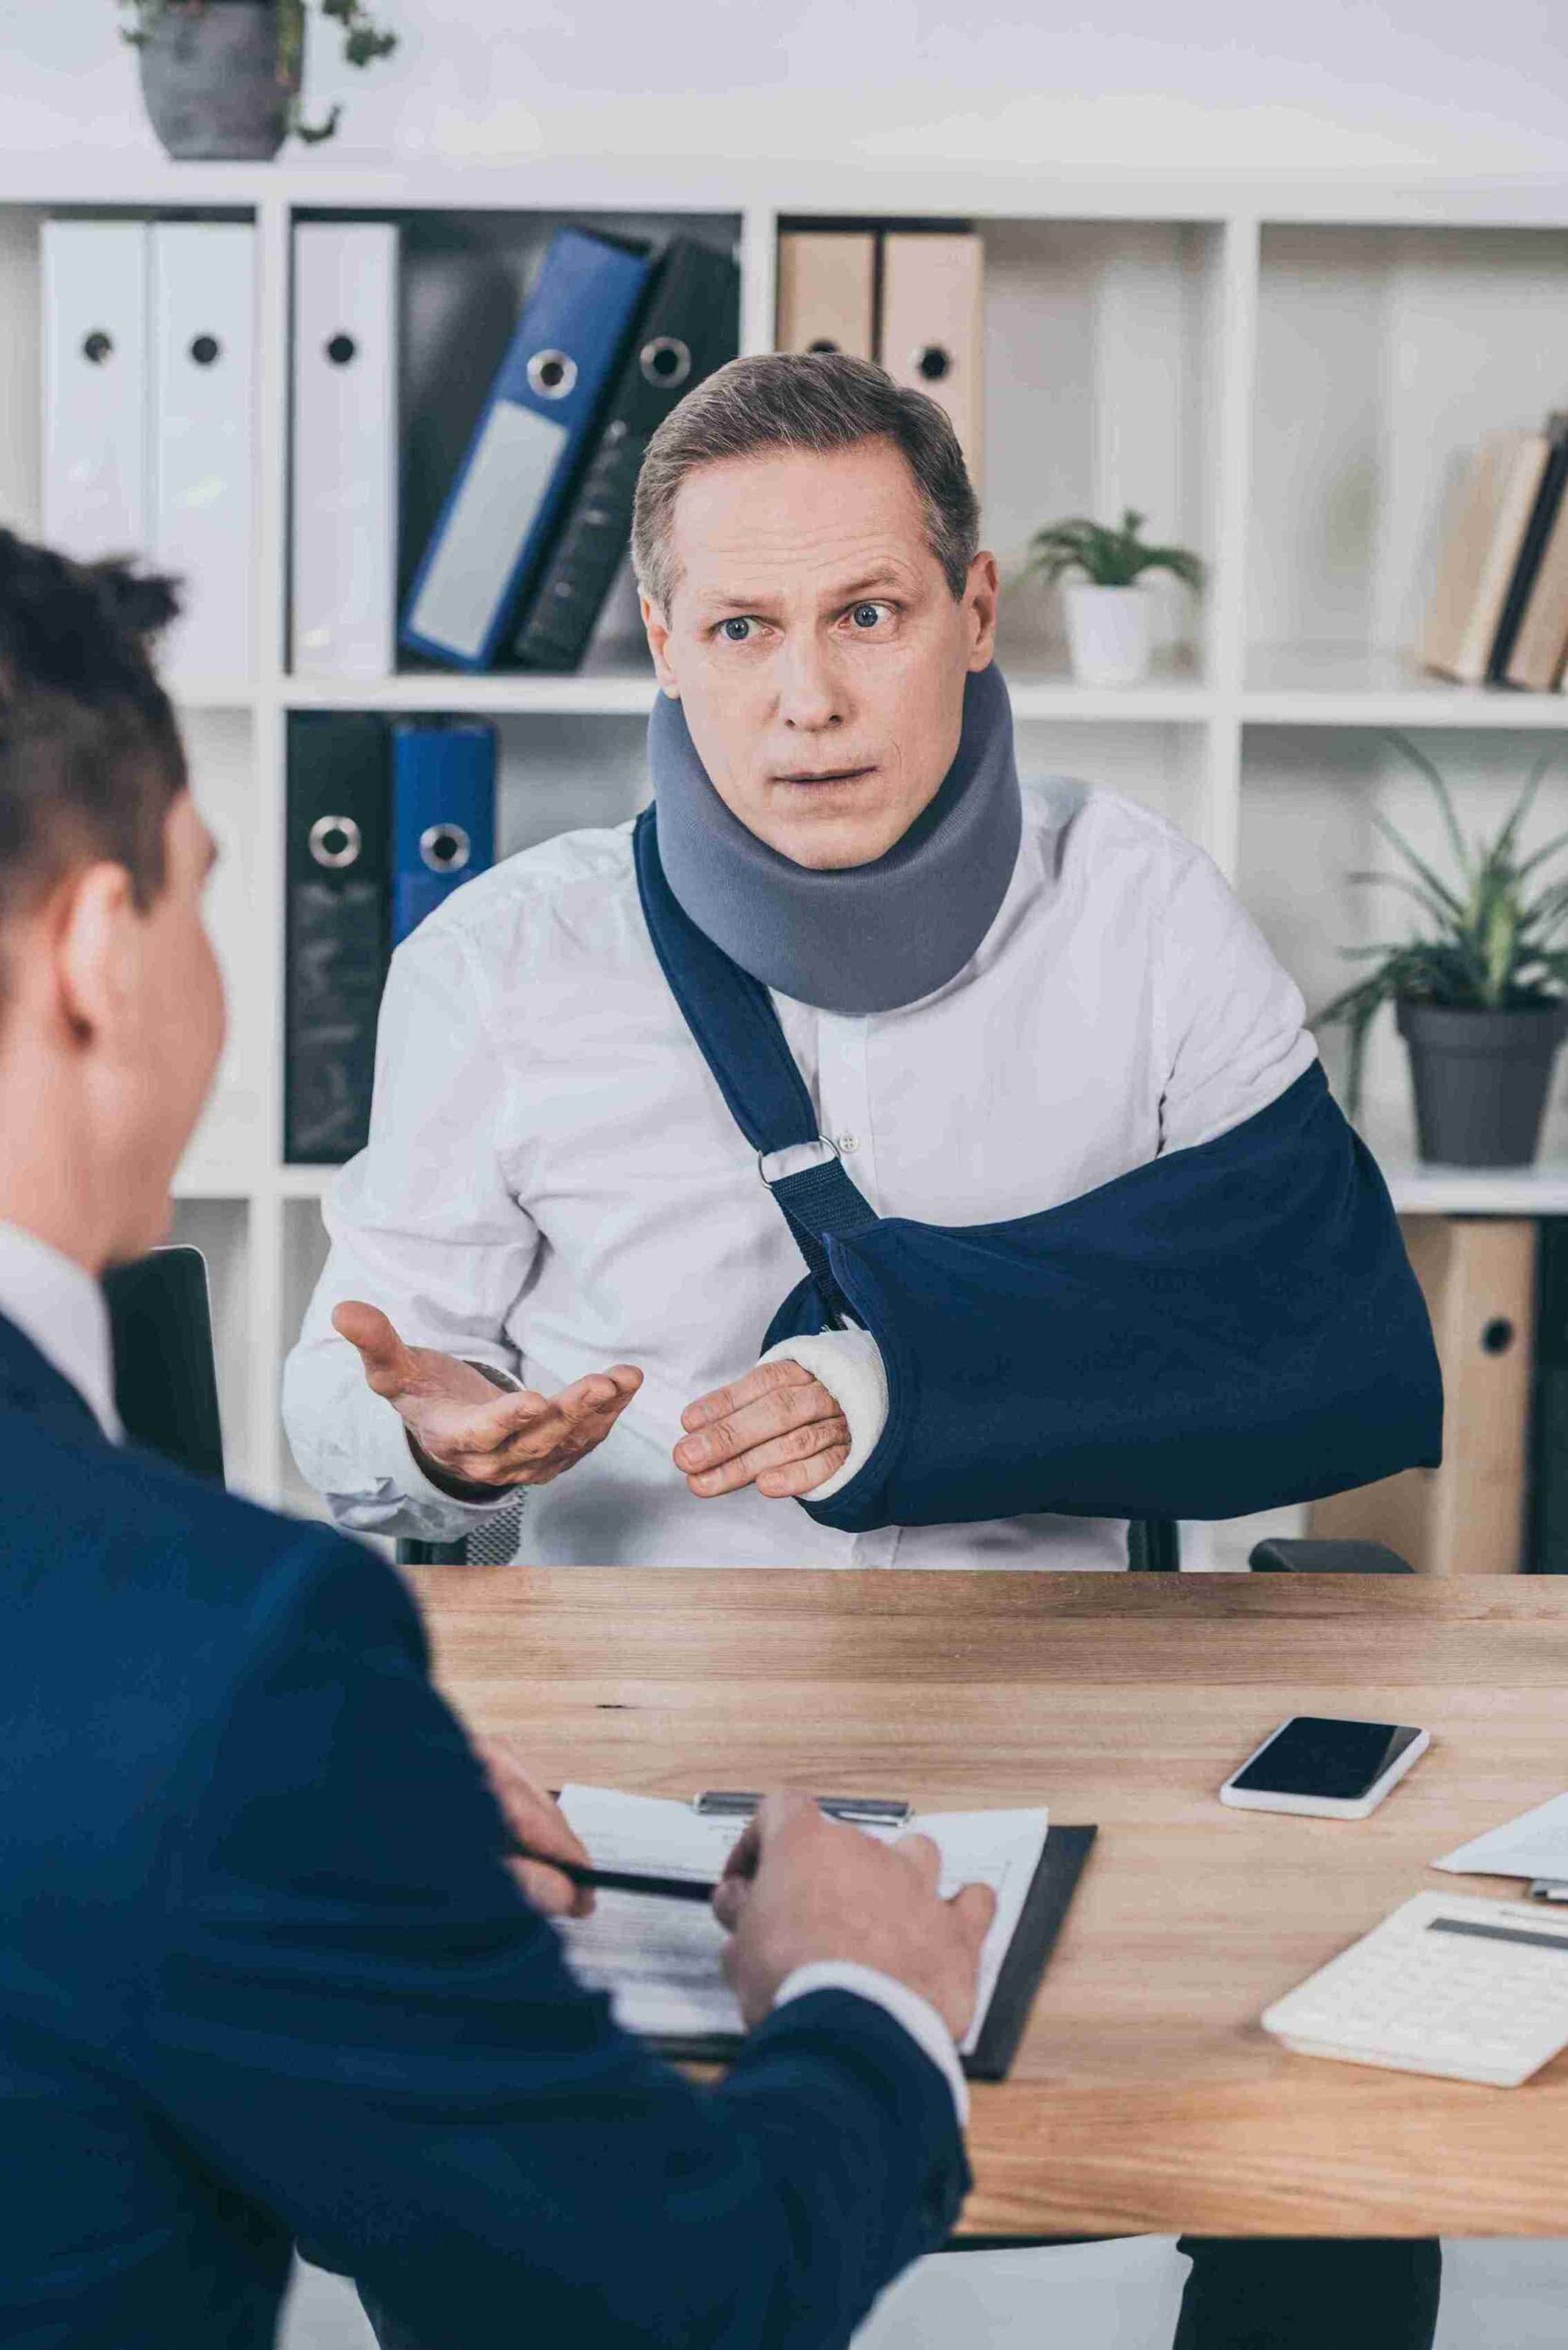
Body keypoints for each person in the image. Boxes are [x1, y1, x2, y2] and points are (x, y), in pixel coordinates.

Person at [282, 351, 1443, 2348]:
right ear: (664, 642)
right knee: (450, 2158)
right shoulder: (505, 963)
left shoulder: (1139, 913)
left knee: (1366, 2139)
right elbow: (350, 1384)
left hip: (1063, 1750)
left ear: (974, 611)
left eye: (868, 615)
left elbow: (1318, 1332)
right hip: (643, 1768)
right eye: (741, 629)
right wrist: (435, 1447)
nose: (805, 698)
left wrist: (905, 1383)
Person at [0, 527, 998, 2348]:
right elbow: (676, 2295)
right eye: (202, 892)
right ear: (96, 954)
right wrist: (870, 1994)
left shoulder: (216, 1690)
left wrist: (343, 1794)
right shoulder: (224, 1665)